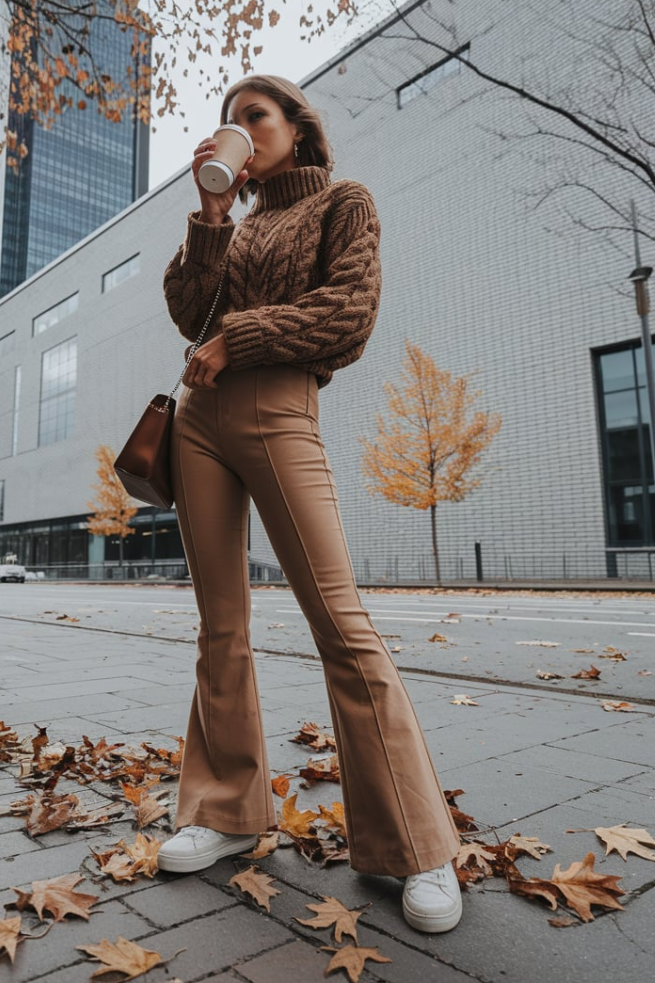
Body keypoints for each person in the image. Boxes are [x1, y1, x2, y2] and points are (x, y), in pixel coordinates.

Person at [157, 75, 462, 934]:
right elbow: (187, 313)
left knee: (340, 620)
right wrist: (210, 221)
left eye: (253, 116)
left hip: (280, 408)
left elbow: (350, 315)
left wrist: (240, 337)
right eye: (227, 123)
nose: (238, 131)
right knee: (221, 626)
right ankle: (222, 813)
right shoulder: (240, 223)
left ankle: (415, 843)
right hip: (199, 423)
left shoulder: (343, 205)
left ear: (295, 127)